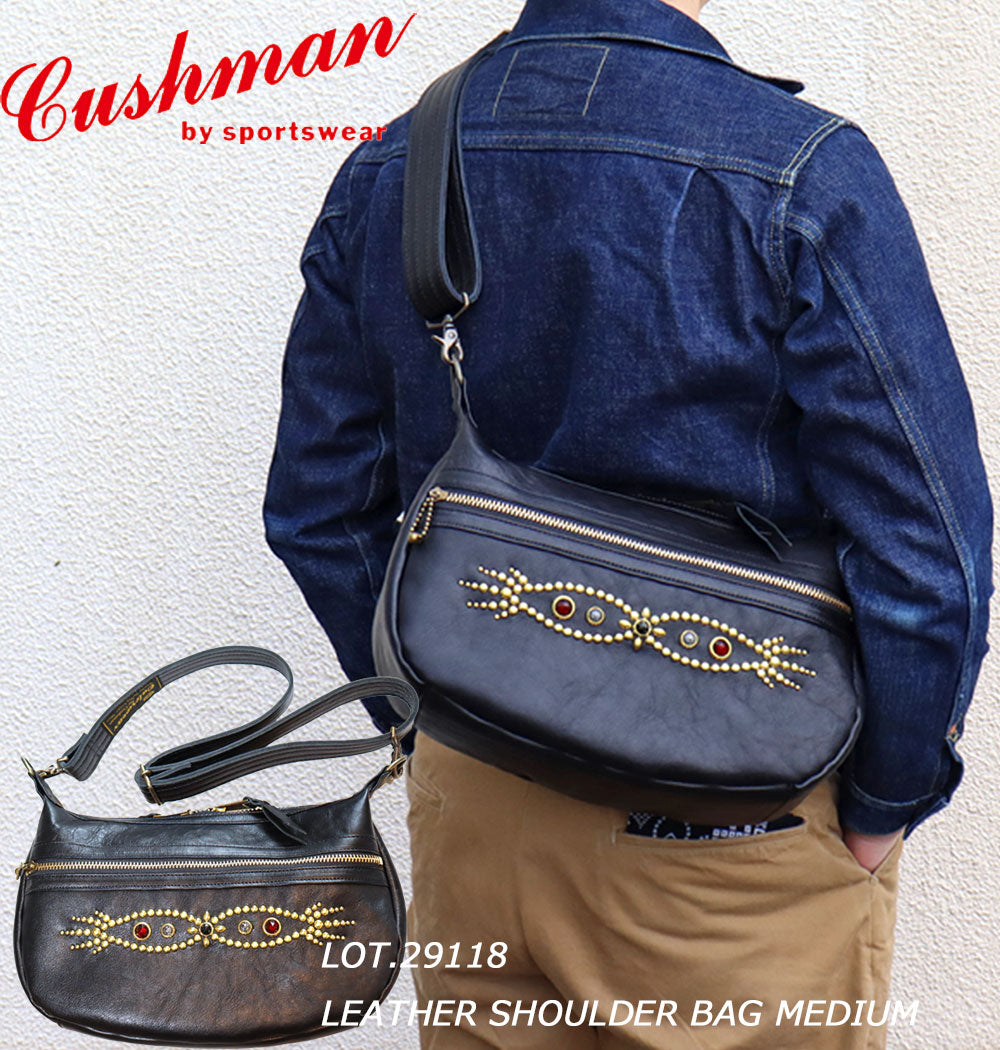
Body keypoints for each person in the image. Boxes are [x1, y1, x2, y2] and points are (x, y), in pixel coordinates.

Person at [263, 0, 993, 1045]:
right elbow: (927, 553)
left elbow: (319, 507)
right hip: (737, 827)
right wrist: (885, 799)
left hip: (478, 812)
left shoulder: (395, 168)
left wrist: (428, 722)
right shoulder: (799, 170)